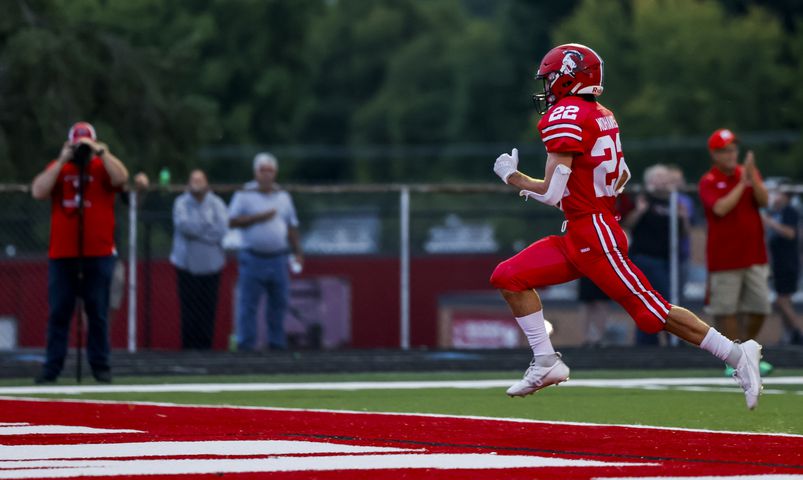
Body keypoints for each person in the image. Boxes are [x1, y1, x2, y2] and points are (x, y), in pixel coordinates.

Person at [489, 44, 763, 409]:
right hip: (581, 231)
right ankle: (545, 361)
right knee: (508, 276)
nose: (549, 86)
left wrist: (512, 177)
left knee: (651, 313)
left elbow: (554, 193)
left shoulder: (567, 113)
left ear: (570, 75)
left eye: (552, 77)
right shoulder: (601, 113)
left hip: (595, 232)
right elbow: (622, 175)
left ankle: (737, 354)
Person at [31, 121, 129, 384]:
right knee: (59, 312)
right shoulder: (60, 168)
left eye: (86, 143)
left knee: (97, 312)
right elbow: (38, 190)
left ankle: (100, 366)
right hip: (63, 254)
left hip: (98, 252)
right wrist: (63, 158)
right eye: (78, 144)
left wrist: (100, 152)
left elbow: (122, 178)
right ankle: (52, 367)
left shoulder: (102, 166)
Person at [699, 129, 771, 346]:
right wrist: (743, 183)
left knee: (760, 308)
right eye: (724, 151)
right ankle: (735, 357)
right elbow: (720, 208)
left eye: (733, 149)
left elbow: (764, 201)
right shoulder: (709, 180)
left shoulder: (748, 172)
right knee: (726, 310)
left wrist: (752, 178)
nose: (731, 155)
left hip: (754, 255)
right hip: (725, 258)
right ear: (714, 154)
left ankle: (745, 351)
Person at [228, 153, 303, 351]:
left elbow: (292, 226)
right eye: (263, 171)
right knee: (248, 305)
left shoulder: (283, 196)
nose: (267, 175)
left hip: (278, 257)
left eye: (270, 171)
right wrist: (257, 217)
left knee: (279, 305)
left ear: (275, 173)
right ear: (256, 173)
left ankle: (277, 345)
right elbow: (231, 220)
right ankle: (246, 346)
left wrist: (298, 251)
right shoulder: (245, 193)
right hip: (252, 257)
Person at [621, 164, 688, 346]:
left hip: (669, 259)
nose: (663, 181)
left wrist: (683, 217)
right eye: (659, 177)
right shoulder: (642, 198)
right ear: (650, 180)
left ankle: (663, 339)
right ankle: (655, 340)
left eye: (665, 177)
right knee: (660, 298)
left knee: (666, 299)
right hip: (646, 258)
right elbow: (627, 225)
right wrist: (640, 211)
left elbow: (683, 233)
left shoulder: (673, 202)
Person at [170, 169, 228, 349]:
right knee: (189, 309)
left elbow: (221, 230)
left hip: (212, 264)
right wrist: (206, 227)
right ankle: (188, 347)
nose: (197, 184)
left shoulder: (217, 203)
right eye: (193, 180)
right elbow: (185, 227)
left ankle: (205, 347)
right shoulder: (180, 202)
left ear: (207, 183)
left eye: (200, 180)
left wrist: (199, 232)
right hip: (186, 265)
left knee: (208, 309)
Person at [763, 180, 803, 344]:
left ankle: (798, 332)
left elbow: (790, 233)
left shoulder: (789, 212)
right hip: (778, 264)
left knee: (782, 301)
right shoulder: (775, 212)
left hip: (788, 263)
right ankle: (791, 334)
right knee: (781, 303)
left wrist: (769, 222)